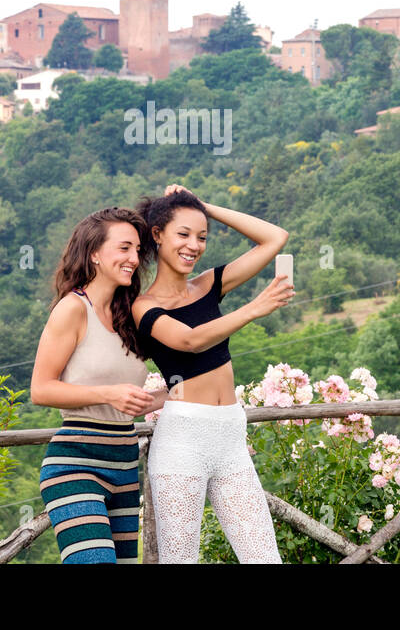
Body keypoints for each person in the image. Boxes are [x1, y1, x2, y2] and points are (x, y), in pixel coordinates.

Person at [132, 185, 294, 563]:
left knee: (264, 558)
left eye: (202, 237)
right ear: (157, 235)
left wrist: (202, 206)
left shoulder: (207, 285)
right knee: (181, 560)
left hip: (231, 437)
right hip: (183, 440)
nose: (194, 245)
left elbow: (275, 238)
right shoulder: (144, 306)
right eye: (183, 234)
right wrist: (254, 308)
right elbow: (190, 340)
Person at [29, 207, 168, 563]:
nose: (134, 258)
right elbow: (41, 389)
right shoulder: (73, 309)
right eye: (123, 248)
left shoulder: (129, 315)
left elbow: (126, 401)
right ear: (94, 253)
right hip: (75, 464)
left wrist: (166, 397)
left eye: (137, 250)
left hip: (125, 464)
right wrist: (109, 393)